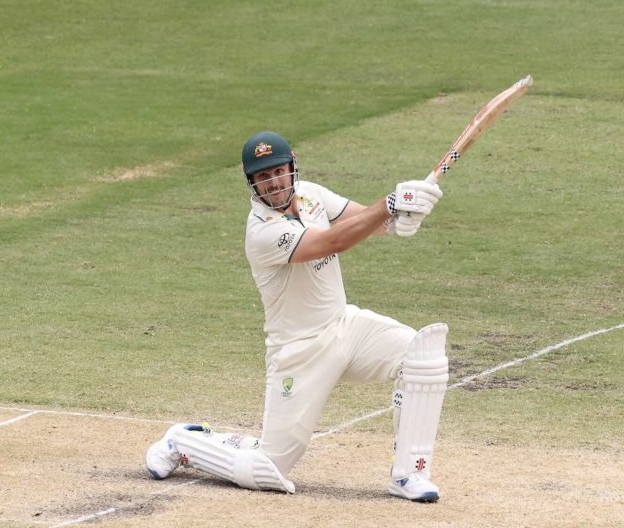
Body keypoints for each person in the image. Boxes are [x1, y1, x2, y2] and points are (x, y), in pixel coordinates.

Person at [145, 131, 450, 502]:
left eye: (277, 171)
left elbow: (368, 221)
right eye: (262, 177)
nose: (273, 183)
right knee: (267, 468)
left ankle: (408, 476)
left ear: (292, 167)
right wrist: (389, 205)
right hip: (299, 351)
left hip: (346, 327)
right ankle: (183, 441)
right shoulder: (261, 232)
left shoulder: (310, 194)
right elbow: (332, 242)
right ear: (251, 183)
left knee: (423, 356)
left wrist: (404, 214)